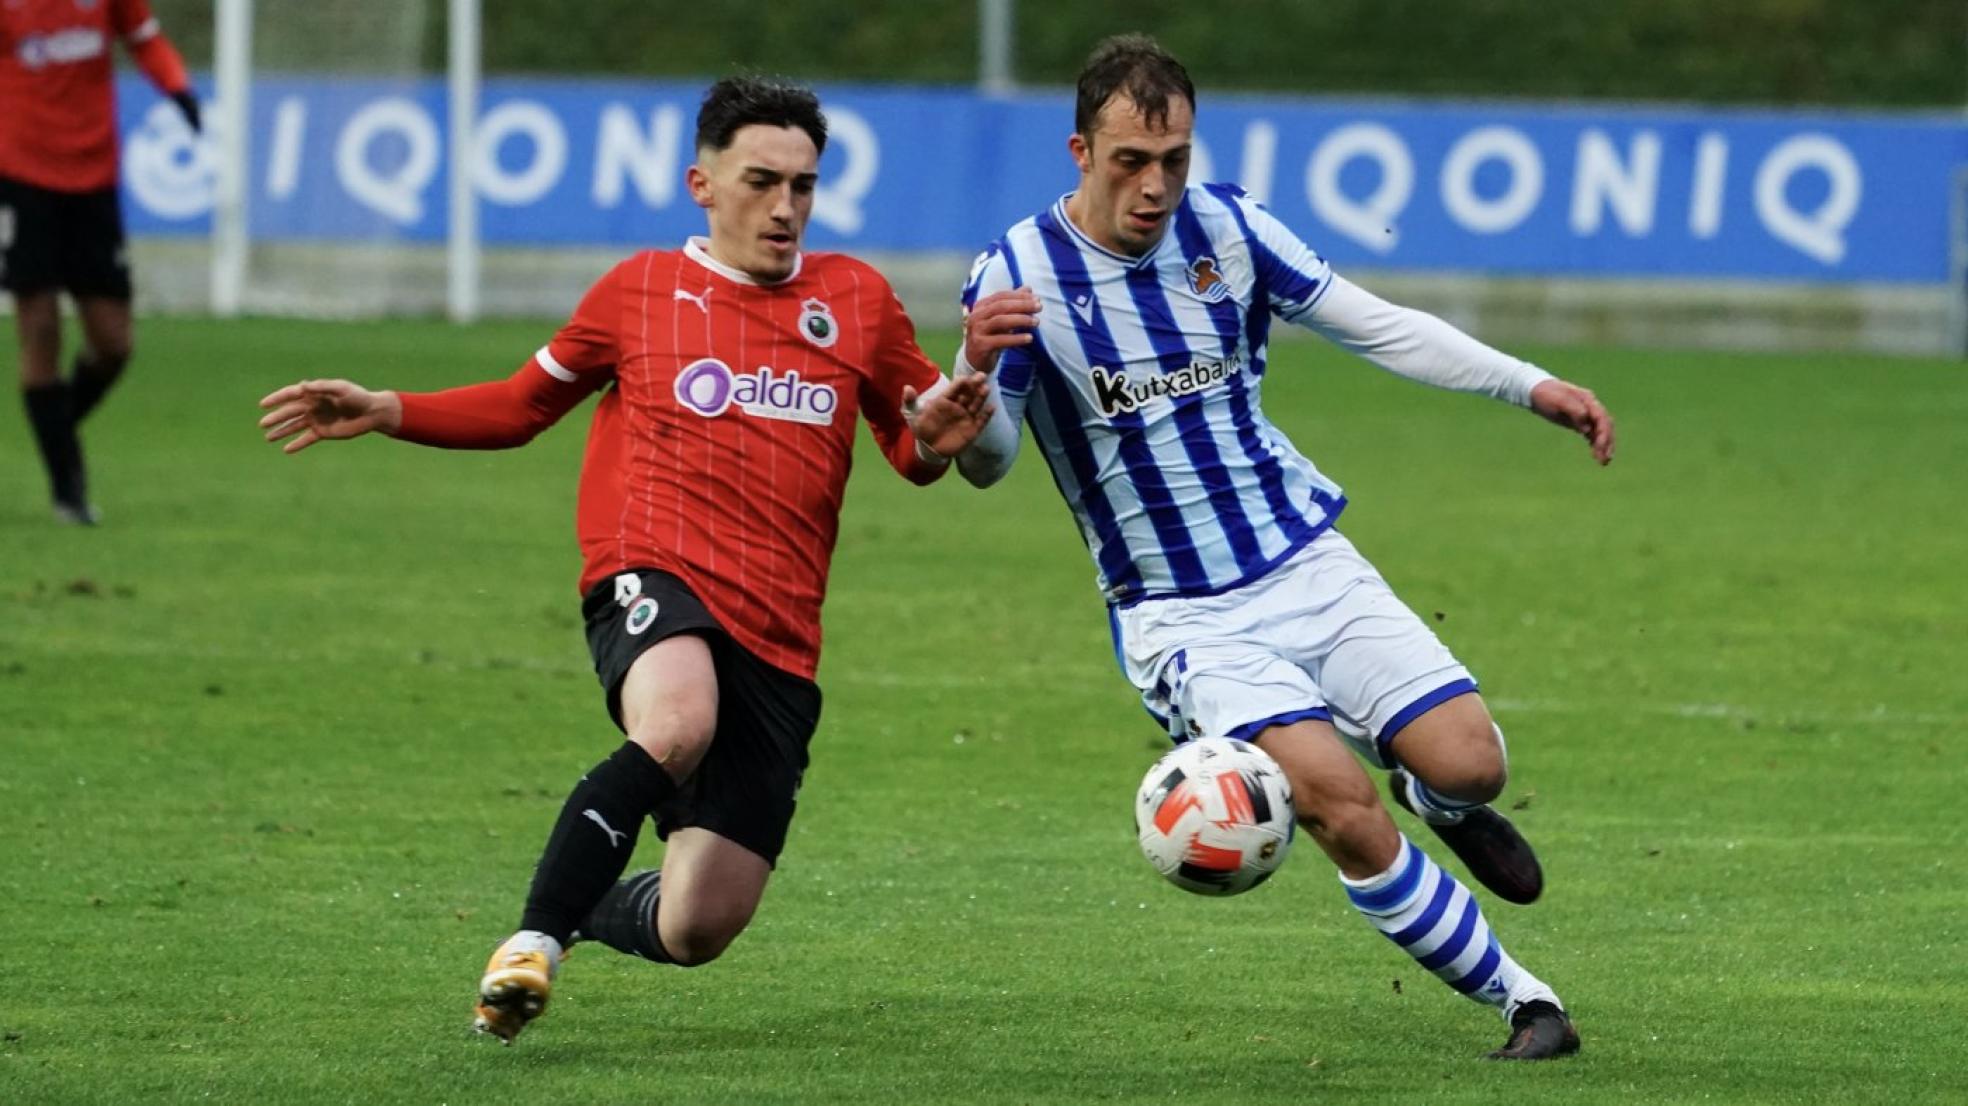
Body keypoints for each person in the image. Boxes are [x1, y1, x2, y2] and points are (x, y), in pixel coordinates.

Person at [256, 76, 1030, 1045]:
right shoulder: (640, 291)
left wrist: (952, 425)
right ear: (701, 182)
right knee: (678, 721)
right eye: (762, 180)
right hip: (652, 567)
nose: (785, 206)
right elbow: (521, 404)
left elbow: (918, 454)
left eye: (803, 185)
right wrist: (388, 408)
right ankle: (534, 941)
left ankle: (577, 897)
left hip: (781, 630)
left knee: (700, 921)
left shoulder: (858, 301)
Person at [951, 35, 1615, 1060]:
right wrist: (968, 375)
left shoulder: (1227, 224)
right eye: (1132, 160)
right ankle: (1528, 1001)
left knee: (1474, 763)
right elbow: (988, 459)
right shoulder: (1017, 278)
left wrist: (1528, 384)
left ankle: (1435, 795)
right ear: (1080, 151)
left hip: (1303, 558)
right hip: (1183, 614)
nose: (1157, 184)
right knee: (1333, 802)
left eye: (1173, 157)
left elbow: (1376, 324)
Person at [2, 0, 199, 524]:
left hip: (94, 177)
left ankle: (55, 429)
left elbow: (145, 39)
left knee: (114, 344)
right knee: (39, 324)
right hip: (20, 172)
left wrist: (177, 88)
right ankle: (67, 487)